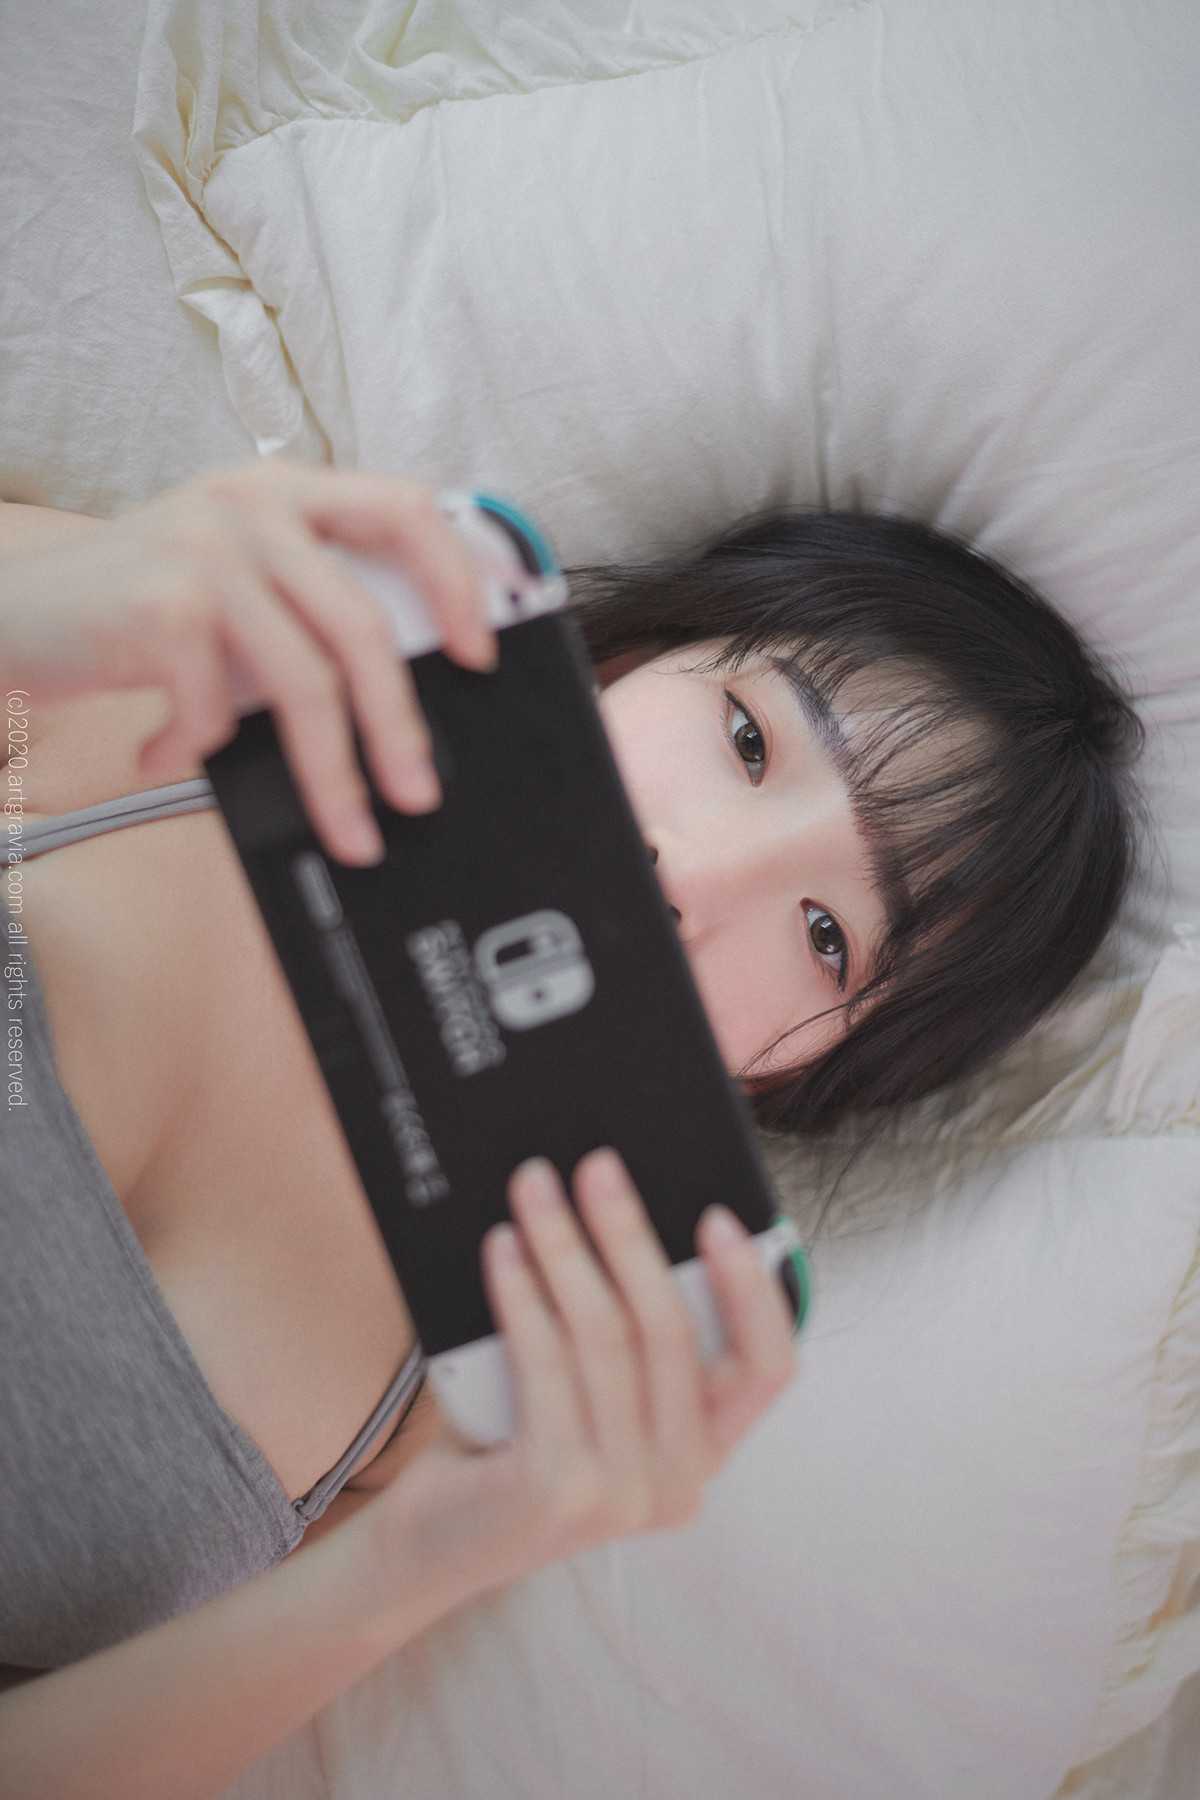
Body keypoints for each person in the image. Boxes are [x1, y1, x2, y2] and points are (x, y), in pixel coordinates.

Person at [0, 459, 1142, 1796]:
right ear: (628, 660)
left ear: (807, 1072)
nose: (693, 875)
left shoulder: (492, 1385)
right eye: (749, 739)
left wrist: (415, 1567)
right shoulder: (195, 684)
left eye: (828, 938)